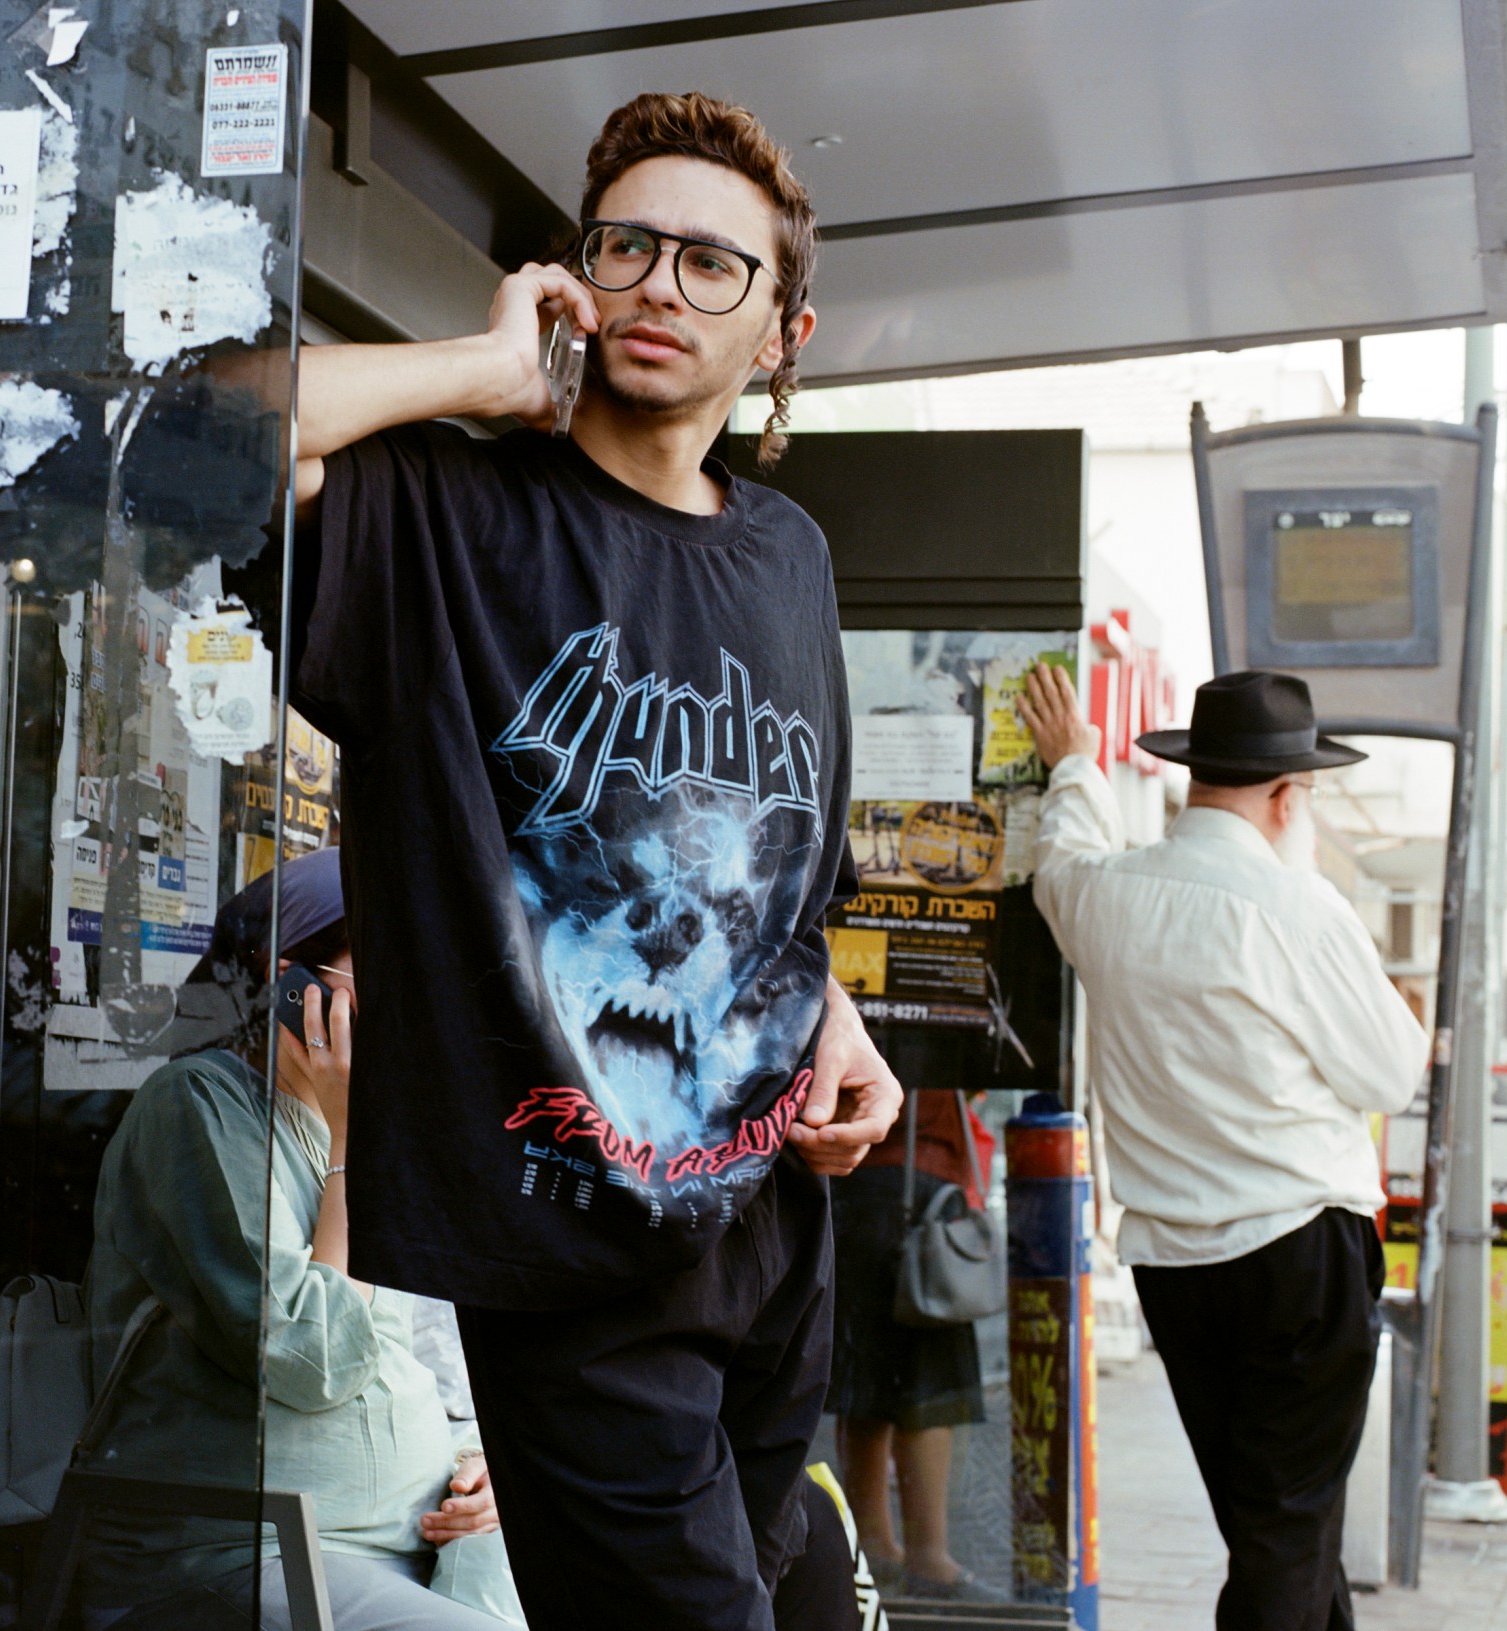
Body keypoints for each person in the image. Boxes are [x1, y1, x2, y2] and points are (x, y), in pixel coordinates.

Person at [285, 92, 903, 1631]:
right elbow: (190, 425)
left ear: (781, 330)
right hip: (563, 1227)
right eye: (625, 245)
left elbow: (787, 875)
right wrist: (487, 372)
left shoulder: (788, 552)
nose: (656, 287)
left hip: (767, 1224)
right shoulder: (439, 508)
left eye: (711, 264)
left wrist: (840, 1026)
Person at [1015, 666, 1428, 1631]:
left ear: (1195, 775)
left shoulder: (1107, 897)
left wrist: (1073, 761)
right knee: (1284, 1528)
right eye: (1308, 796)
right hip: (1299, 1256)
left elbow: (1061, 858)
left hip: (1176, 1268)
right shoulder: (1296, 909)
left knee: (1272, 1522)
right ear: (1286, 797)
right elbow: (1389, 1074)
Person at [80, 849, 515, 1630]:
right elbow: (312, 1359)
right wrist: (350, 1138)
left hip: (406, 1536)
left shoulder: (392, 1140)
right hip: (249, 1549)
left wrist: (479, 1460)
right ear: (294, 988)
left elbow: (441, 1362)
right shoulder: (198, 1108)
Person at [828, 1078, 996, 1596]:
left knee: (866, 1390)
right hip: (920, 1186)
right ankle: (929, 1556)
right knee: (929, 1389)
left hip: (854, 1184)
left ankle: (873, 1545)